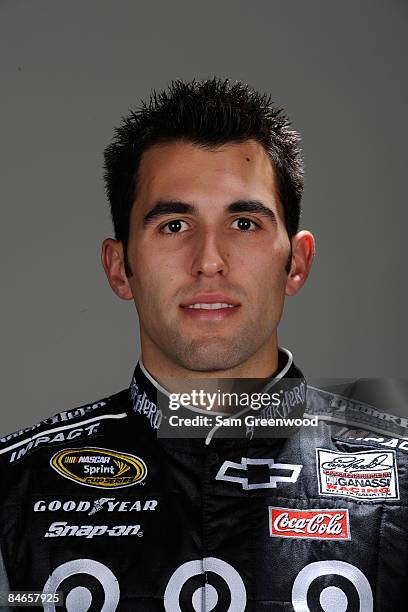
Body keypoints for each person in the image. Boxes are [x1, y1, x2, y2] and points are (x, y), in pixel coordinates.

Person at [0, 78, 406, 611]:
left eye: (244, 223)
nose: (209, 260)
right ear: (119, 267)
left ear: (297, 262)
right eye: (173, 225)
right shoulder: (15, 483)